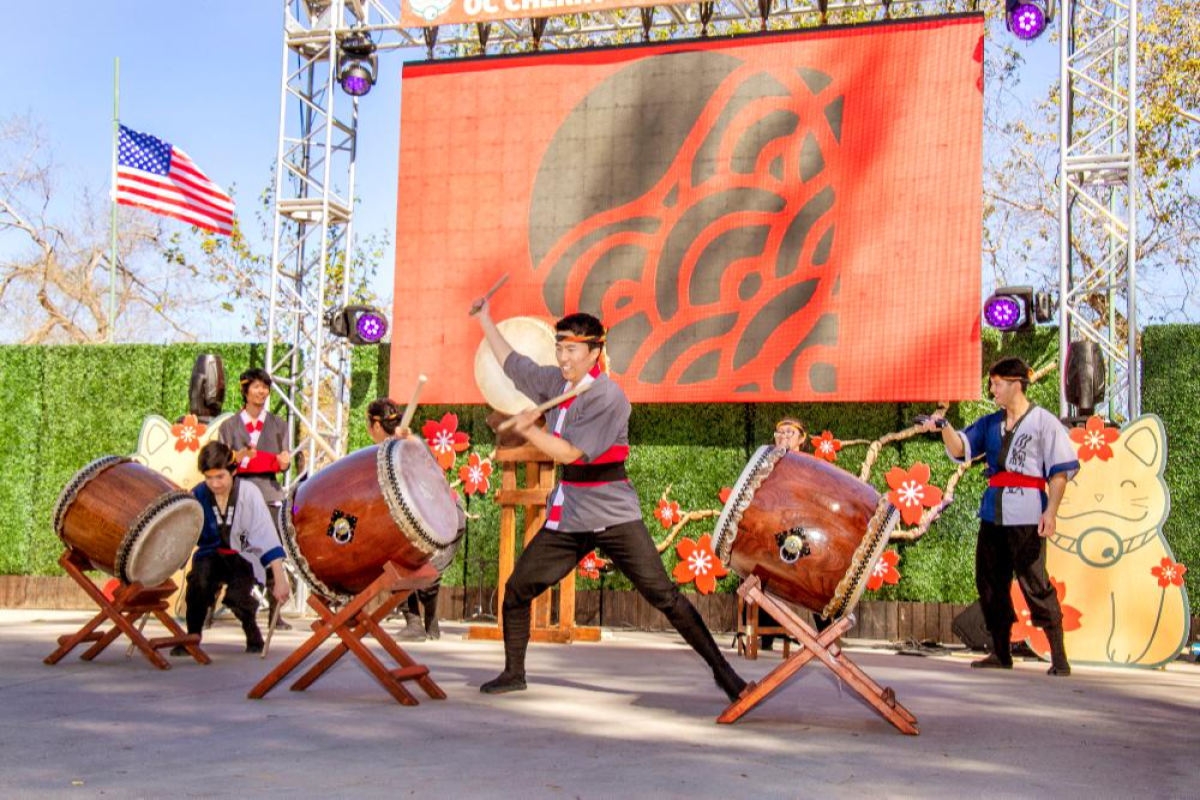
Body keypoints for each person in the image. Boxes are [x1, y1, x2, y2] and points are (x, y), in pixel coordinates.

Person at [471, 296, 748, 702]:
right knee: (517, 588)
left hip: (611, 512)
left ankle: (726, 675)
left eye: (572, 350)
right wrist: (486, 320)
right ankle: (514, 672)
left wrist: (526, 430)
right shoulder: (554, 384)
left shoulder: (608, 397)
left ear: (595, 352)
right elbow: (514, 365)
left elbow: (569, 454)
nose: (563, 358)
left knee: (663, 596)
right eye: (559, 349)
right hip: (570, 514)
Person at [922, 357, 1078, 676]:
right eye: (992, 383)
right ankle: (1000, 651)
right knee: (990, 582)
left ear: (1016, 383)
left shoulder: (1044, 423)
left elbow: (1060, 471)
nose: (992, 389)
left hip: (1028, 512)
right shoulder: (990, 423)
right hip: (993, 511)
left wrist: (1052, 510)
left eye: (997, 383)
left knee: (1034, 582)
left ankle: (1059, 655)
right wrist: (943, 426)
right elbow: (960, 448)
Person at [174, 441, 291, 655]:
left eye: (220, 476)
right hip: (210, 554)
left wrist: (280, 579)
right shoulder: (198, 495)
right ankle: (192, 636)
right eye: (209, 477)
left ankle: (251, 631)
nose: (215, 484)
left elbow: (266, 534)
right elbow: (184, 532)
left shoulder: (249, 493)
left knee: (239, 596)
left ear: (234, 470)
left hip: (243, 556)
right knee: (198, 583)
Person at [366, 397, 466, 641]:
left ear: (375, 426)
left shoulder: (392, 451)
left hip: (438, 519)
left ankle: (414, 623)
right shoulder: (404, 445)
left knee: (398, 560)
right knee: (421, 566)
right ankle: (430, 625)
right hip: (450, 517)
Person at [219, 368, 293, 630]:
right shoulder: (229, 426)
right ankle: (215, 605)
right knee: (231, 552)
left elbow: (284, 462)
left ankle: (275, 613)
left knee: (274, 553)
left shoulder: (278, 425)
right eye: (256, 386)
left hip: (269, 495)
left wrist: (281, 463)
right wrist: (242, 460)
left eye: (265, 387)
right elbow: (225, 462)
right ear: (245, 389)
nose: (261, 391)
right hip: (239, 496)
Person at [757, 416, 820, 651]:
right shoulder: (768, 462)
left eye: (789, 433)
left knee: (810, 574)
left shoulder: (809, 465)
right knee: (759, 567)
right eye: (779, 433)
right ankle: (766, 633)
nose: (783, 437)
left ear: (802, 439)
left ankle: (826, 633)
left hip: (800, 530)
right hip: (774, 528)